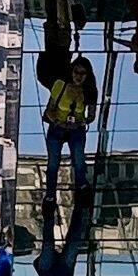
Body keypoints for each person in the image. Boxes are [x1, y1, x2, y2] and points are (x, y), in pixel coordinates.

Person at [40, 54, 98, 226]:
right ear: (71, 71)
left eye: (82, 73)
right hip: (57, 128)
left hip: (76, 130)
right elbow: (50, 109)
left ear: (88, 76)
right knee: (53, 164)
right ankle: (50, 197)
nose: (78, 76)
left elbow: (91, 116)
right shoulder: (61, 85)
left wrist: (80, 122)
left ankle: (82, 189)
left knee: (79, 161)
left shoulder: (90, 91)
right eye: (76, 72)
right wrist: (58, 121)